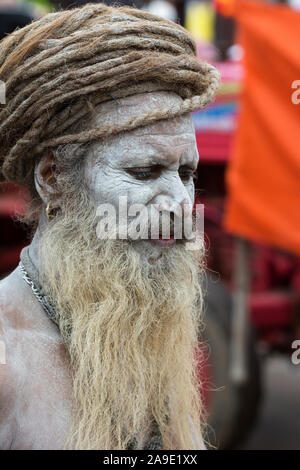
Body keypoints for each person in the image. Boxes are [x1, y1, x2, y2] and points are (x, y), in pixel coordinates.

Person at [0, 2, 220, 450]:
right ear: (53, 179)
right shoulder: (7, 359)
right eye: (144, 171)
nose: (181, 205)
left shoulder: (146, 321)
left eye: (186, 174)